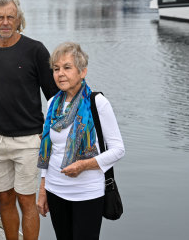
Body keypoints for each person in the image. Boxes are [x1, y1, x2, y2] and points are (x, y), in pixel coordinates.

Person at [0, 0, 59, 240]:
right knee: (5, 198)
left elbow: (54, 97)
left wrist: (49, 134)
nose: (5, 22)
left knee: (26, 200)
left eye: (10, 17)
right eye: (0, 18)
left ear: (18, 18)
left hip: (29, 141)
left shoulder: (36, 50)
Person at [36, 42, 125, 240]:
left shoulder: (97, 103)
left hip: (87, 192)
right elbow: (48, 150)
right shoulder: (52, 104)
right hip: (55, 189)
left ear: (82, 72)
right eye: (56, 69)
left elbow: (118, 150)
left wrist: (84, 165)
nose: (60, 74)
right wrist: (43, 189)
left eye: (67, 68)